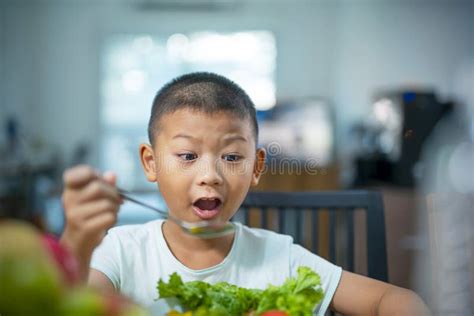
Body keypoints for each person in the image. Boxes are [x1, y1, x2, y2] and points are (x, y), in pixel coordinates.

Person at [60, 72, 429, 315]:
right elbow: (62, 305)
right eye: (187, 156)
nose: (211, 175)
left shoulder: (280, 258)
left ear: (256, 168)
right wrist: (77, 241)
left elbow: (393, 299)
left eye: (232, 157)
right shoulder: (119, 251)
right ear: (151, 162)